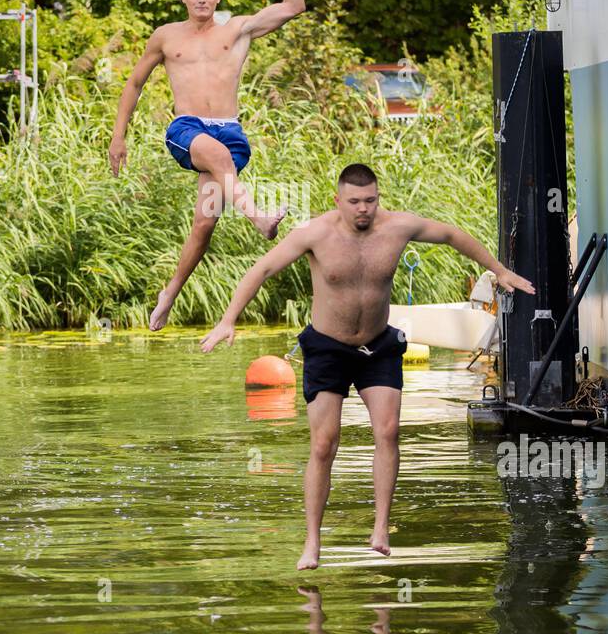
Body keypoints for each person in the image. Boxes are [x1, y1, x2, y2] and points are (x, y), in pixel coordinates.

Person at [200, 164, 535, 570]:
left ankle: (379, 528)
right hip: (327, 348)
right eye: (355, 202)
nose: (364, 209)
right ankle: (312, 540)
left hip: (377, 345)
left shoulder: (398, 227)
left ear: (379, 198)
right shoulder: (314, 234)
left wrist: (499, 271)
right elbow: (263, 269)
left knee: (388, 431)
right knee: (324, 444)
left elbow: (452, 236)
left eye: (371, 201)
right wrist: (228, 319)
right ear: (337, 200)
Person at [109, 0, 304, 330]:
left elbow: (293, 7)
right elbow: (135, 82)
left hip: (229, 130)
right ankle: (259, 218)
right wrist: (118, 136)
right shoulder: (166, 36)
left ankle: (169, 294)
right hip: (188, 129)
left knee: (204, 224)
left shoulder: (237, 30)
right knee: (215, 157)